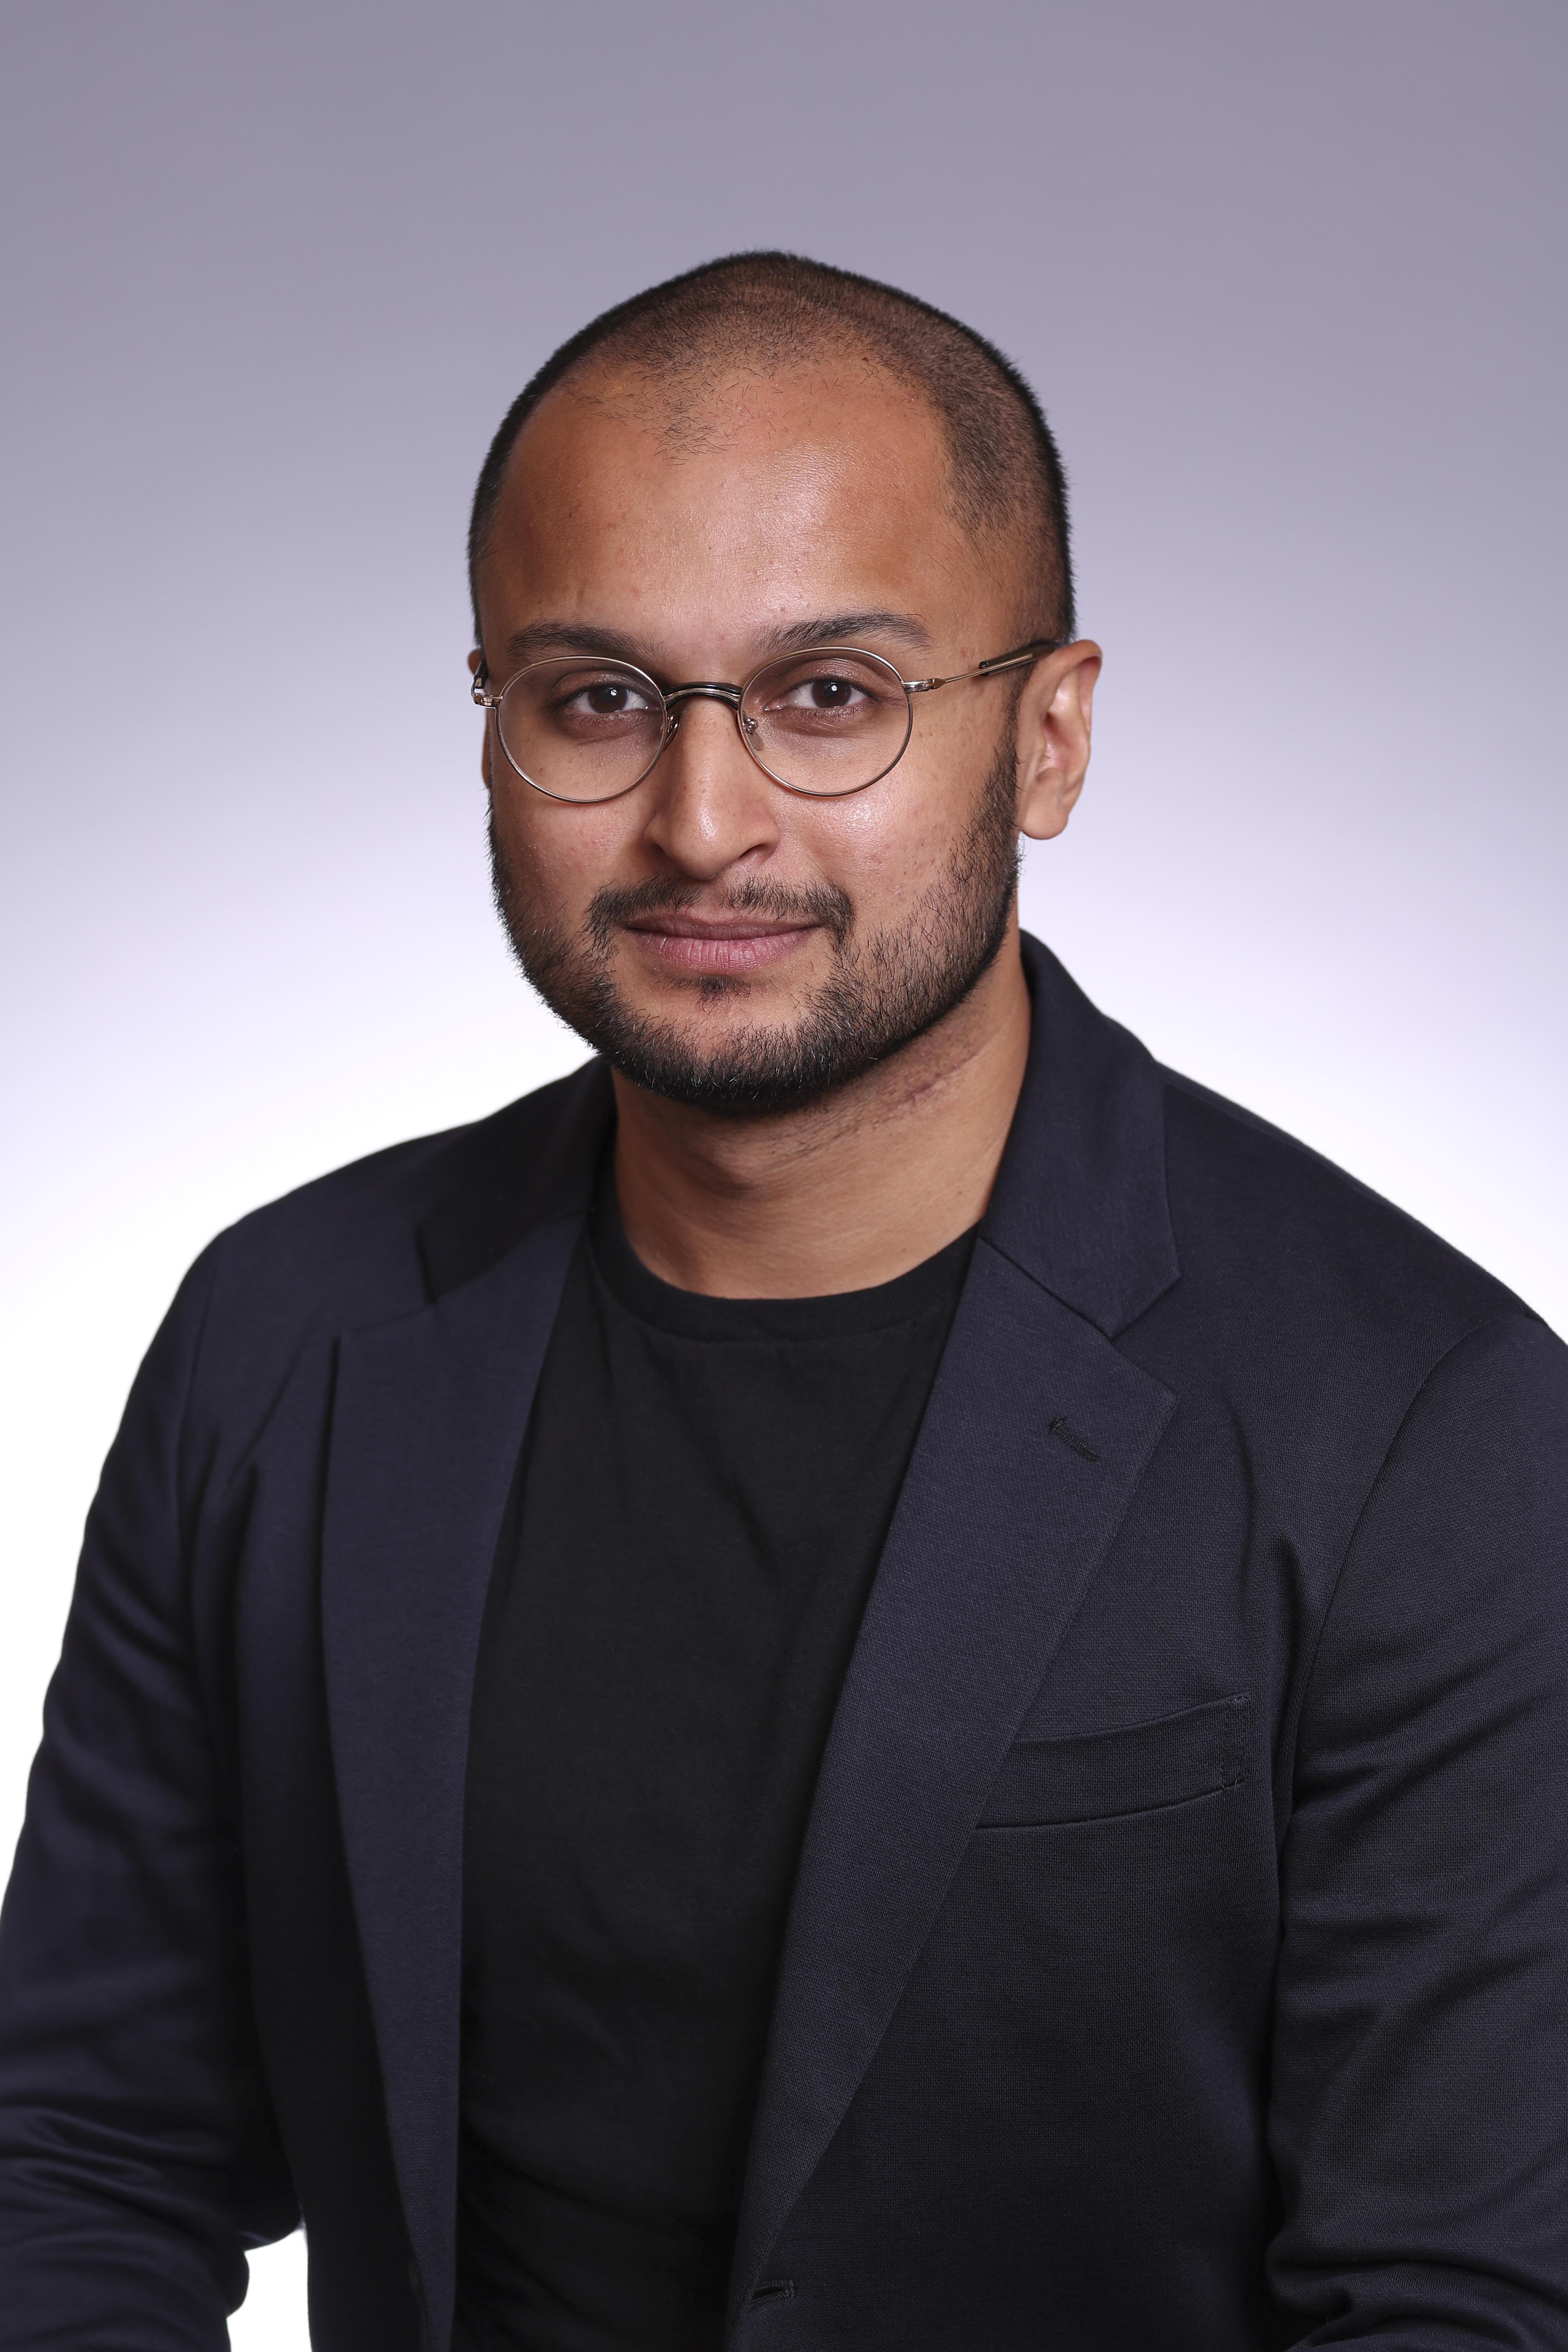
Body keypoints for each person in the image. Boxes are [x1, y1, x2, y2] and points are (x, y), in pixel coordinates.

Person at [1, 249, 1565, 2352]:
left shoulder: (1423, 1424)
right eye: (597, 697)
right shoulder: (282, 1336)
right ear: (494, 722)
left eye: (830, 695)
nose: (701, 821)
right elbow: (82, 2154)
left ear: (1048, 738)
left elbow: (1460, 2303)